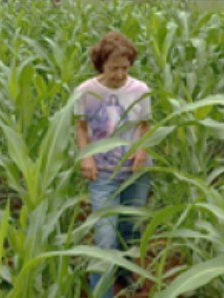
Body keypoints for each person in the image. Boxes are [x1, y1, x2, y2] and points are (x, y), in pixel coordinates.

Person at [73, 31, 153, 298]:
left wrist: (141, 150)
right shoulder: (86, 92)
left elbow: (144, 126)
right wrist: (86, 157)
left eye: (125, 68)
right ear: (100, 65)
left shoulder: (139, 90)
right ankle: (102, 293)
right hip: (103, 173)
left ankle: (124, 271)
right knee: (105, 236)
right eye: (113, 69)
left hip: (134, 171)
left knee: (129, 229)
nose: (120, 74)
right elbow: (81, 128)